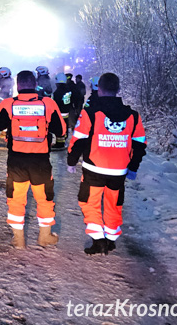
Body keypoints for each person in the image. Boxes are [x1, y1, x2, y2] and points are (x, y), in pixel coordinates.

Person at [67, 72, 147, 255]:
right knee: (114, 204)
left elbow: (78, 139)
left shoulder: (91, 113)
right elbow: (140, 144)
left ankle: (98, 240)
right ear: (118, 90)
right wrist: (133, 167)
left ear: (99, 89)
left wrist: (71, 161)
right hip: (119, 171)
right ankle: (110, 240)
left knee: (89, 202)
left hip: (93, 168)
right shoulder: (133, 116)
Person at [0, 70, 65, 249]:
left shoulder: (8, 104)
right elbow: (61, 130)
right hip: (41, 162)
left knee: (16, 199)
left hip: (17, 162)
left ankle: (18, 240)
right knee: (44, 198)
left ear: (18, 85)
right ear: (35, 83)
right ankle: (45, 236)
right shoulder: (48, 103)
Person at [52, 73, 81, 149]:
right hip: (66, 111)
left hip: (60, 112)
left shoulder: (58, 92)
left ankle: (60, 143)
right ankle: (63, 141)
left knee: (59, 127)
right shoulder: (68, 89)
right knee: (65, 125)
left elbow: (55, 102)